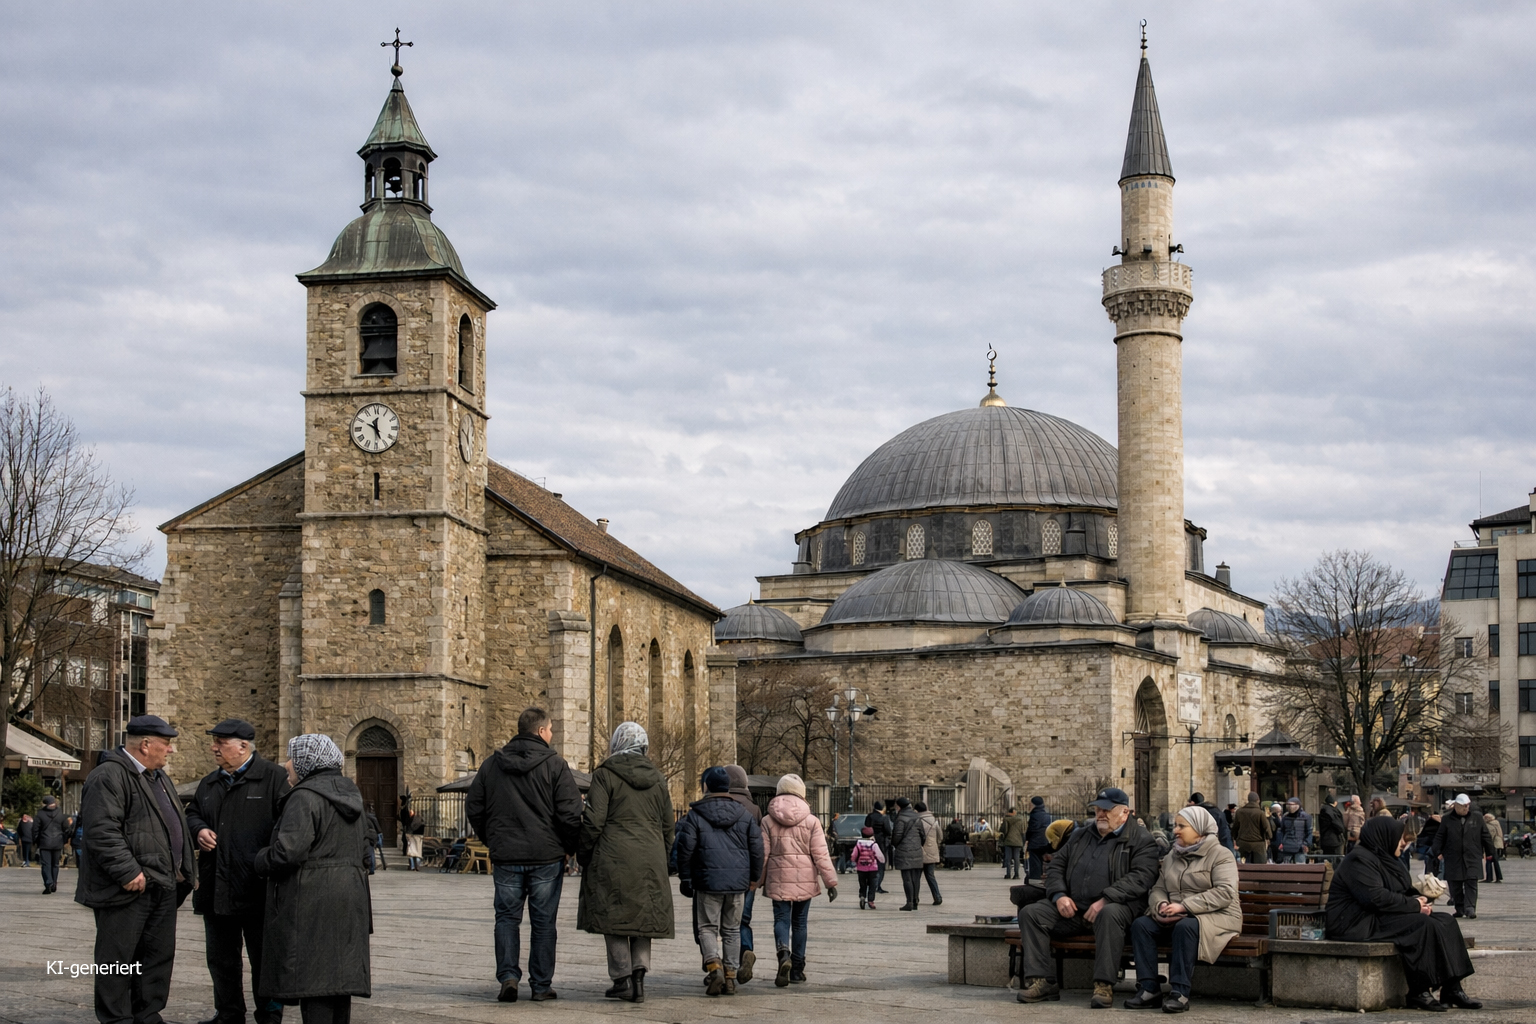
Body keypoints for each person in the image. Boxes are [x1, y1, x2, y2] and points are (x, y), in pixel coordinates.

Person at [74, 715, 197, 1024]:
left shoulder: (158, 777)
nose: (170, 751)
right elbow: (102, 830)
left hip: (162, 884)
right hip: (128, 888)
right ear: (145, 745)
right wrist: (128, 871)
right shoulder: (109, 776)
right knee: (117, 959)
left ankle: (147, 1013)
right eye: (166, 744)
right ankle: (117, 1018)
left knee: (156, 956)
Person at [466, 707, 582, 1003]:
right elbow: (570, 813)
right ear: (541, 731)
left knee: (506, 918)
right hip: (546, 856)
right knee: (544, 923)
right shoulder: (555, 765)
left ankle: (508, 977)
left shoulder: (493, 764)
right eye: (551, 729)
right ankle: (541, 985)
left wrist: (492, 838)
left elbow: (474, 806)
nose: (552, 734)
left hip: (507, 855)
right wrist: (570, 846)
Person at [254, 734, 371, 1024]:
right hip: (349, 897)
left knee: (315, 982)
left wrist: (259, 859)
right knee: (337, 984)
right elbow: (366, 853)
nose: (286, 765)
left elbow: (287, 852)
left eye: (292, 758)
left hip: (312, 900)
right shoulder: (351, 794)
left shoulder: (305, 797)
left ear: (308, 762)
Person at [185, 718, 290, 1024]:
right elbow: (191, 814)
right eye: (214, 741)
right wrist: (199, 829)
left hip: (258, 890)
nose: (213, 748)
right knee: (221, 960)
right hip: (217, 889)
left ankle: (269, 1015)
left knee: (263, 959)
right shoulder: (209, 783)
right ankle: (228, 1013)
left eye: (221, 742)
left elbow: (287, 826)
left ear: (243, 746)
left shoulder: (273, 778)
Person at [1016, 787, 1160, 1009]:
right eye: (1097, 809)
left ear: (1125, 812)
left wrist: (1106, 899)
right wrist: (1059, 895)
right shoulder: (1081, 834)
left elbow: (1142, 877)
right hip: (1075, 908)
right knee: (1032, 913)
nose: (1100, 814)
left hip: (1118, 907)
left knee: (1109, 914)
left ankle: (1103, 985)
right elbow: (1056, 866)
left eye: (1107, 810)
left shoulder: (1141, 839)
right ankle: (1042, 981)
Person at [1326, 816, 1480, 1011]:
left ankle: (1452, 987)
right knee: (1422, 925)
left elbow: (1401, 890)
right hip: (1356, 923)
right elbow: (1375, 898)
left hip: (1379, 916)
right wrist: (1414, 906)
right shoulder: (1358, 860)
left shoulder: (1387, 859)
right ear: (1384, 837)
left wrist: (1424, 897)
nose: (1404, 842)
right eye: (1399, 837)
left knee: (1445, 920)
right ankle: (1419, 991)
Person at [578, 723, 674, 1004]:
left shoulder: (605, 775)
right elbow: (669, 826)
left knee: (614, 916)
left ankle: (622, 979)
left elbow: (594, 821)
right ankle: (640, 976)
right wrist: (665, 858)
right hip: (651, 856)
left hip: (613, 856)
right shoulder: (659, 779)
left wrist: (584, 854)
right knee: (644, 917)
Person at [1124, 805, 1241, 1013]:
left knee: (1185, 927)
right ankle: (1149, 988)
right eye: (1175, 825)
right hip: (1177, 914)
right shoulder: (1171, 857)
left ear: (1199, 830)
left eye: (1182, 826)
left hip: (1217, 916)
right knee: (1141, 925)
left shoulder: (1221, 855)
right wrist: (1160, 905)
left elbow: (1225, 893)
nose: (1175, 830)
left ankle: (1180, 992)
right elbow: (1158, 888)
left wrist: (1184, 906)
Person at [675, 766, 763, 997]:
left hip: (707, 880)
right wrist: (754, 877)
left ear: (706, 786)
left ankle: (714, 967)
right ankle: (731, 977)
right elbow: (757, 848)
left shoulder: (696, 814)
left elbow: (685, 849)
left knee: (707, 927)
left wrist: (685, 876)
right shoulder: (744, 814)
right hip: (737, 882)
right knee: (733, 929)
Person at [761, 773, 838, 986]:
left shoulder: (767, 820)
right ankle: (797, 969)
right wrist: (830, 882)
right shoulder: (812, 821)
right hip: (805, 877)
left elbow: (763, 854)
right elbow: (821, 854)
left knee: (781, 919)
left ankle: (783, 953)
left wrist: (757, 880)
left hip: (778, 876)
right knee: (800, 923)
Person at [723, 765, 763, 983]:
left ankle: (721, 965)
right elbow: (757, 845)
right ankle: (746, 950)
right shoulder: (754, 809)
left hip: (720, 872)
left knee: (723, 922)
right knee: (742, 920)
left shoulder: (717, 803)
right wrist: (757, 876)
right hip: (746, 874)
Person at [1432, 794, 1495, 920]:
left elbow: (1485, 835)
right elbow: (1440, 836)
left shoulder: (1476, 817)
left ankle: (1470, 908)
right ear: (1456, 806)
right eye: (1463, 806)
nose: (1466, 808)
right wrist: (1436, 851)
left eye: (1467, 806)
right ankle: (1459, 908)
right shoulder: (1447, 819)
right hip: (1453, 856)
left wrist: (1490, 853)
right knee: (1455, 884)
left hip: (1472, 855)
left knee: (1471, 882)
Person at [889, 796, 926, 911]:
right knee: (916, 878)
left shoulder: (900, 818)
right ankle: (915, 901)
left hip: (904, 851)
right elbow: (923, 835)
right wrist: (918, 845)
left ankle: (909, 902)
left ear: (899, 806)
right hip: (917, 850)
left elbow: (897, 837)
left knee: (907, 878)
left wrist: (895, 844)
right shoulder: (917, 817)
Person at [35, 795, 67, 894]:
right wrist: (63, 840)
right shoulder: (61, 814)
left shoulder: (40, 814)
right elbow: (67, 829)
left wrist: (37, 842)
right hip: (58, 842)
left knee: (46, 864)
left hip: (44, 842)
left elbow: (35, 830)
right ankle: (54, 883)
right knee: (55, 865)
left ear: (45, 803)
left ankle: (48, 883)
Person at [915, 801, 943, 906]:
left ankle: (915, 898)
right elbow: (940, 837)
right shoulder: (934, 821)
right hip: (932, 851)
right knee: (930, 876)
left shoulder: (916, 821)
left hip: (919, 850)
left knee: (916, 877)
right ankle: (937, 897)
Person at [850, 826, 885, 908]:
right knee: (873, 885)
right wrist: (882, 861)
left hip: (861, 868)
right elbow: (879, 855)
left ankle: (862, 896)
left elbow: (854, 855)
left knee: (862, 884)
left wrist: (854, 861)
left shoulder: (858, 844)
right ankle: (871, 900)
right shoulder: (874, 844)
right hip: (872, 868)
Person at [1232, 792, 1272, 864]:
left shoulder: (1239, 812)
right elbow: (1266, 827)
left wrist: (1234, 838)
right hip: (1258, 844)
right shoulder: (1260, 813)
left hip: (1243, 843)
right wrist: (1269, 837)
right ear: (1258, 800)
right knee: (1259, 867)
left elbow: (1235, 827)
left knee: (1244, 866)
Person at [864, 801, 892, 893]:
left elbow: (866, 829)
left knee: (870, 864)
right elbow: (888, 831)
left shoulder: (869, 816)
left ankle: (870, 884)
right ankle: (877, 885)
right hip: (881, 843)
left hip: (870, 842)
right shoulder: (884, 818)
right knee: (880, 865)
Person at [1025, 796, 1053, 880]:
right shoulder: (1047, 815)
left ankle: (1035, 880)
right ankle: (1041, 878)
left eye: (1030, 804)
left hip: (1035, 842)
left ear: (1034, 805)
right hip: (1044, 841)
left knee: (1035, 864)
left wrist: (1027, 839)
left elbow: (1032, 829)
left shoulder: (1035, 815)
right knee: (1041, 863)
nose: (1029, 805)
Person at [1275, 798, 1311, 863]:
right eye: (1288, 804)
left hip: (1300, 848)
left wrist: (1306, 844)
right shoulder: (1285, 817)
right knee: (1287, 869)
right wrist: (1280, 843)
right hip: (1287, 847)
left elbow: (1309, 832)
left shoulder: (1305, 817)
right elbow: (1281, 831)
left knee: (1300, 868)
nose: (1290, 807)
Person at [998, 806, 1027, 880]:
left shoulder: (1006, 819)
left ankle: (1008, 874)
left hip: (1008, 841)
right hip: (1018, 841)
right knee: (1017, 858)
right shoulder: (1021, 820)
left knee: (1008, 858)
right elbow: (1023, 831)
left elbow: (1003, 830)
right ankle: (1016, 874)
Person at [1484, 813, 1504, 884]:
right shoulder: (1496, 823)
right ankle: (1498, 877)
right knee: (1495, 861)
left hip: (1492, 845)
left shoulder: (1490, 825)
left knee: (1489, 861)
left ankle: (1489, 878)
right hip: (1498, 844)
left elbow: (1490, 836)